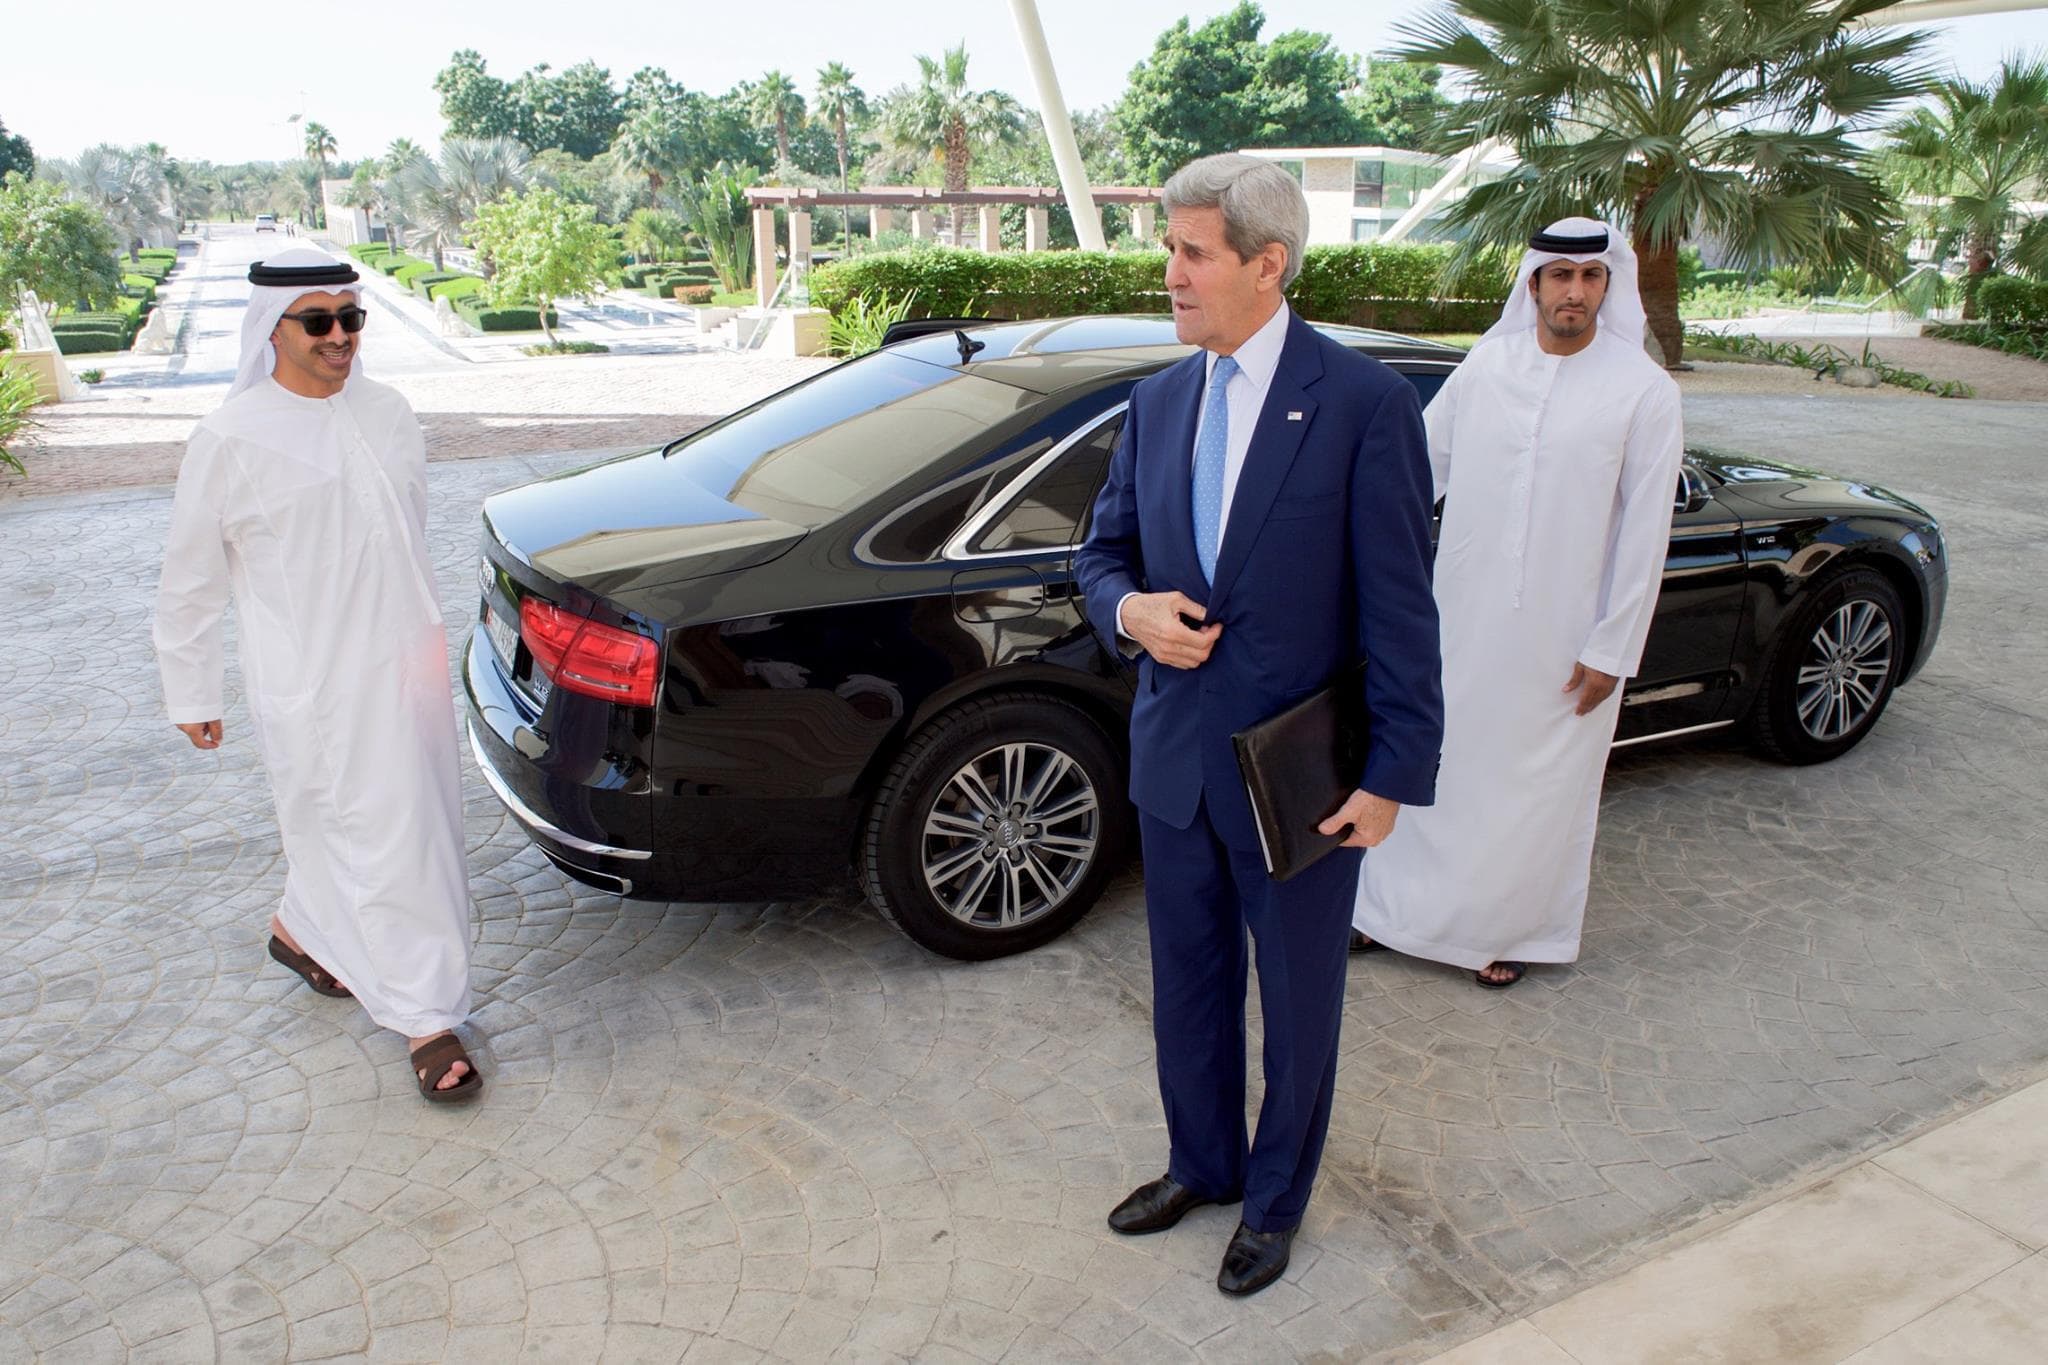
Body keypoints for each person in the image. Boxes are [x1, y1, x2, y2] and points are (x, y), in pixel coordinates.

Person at [1075, 154, 1444, 1297]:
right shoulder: (1158, 399)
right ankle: (1204, 1165)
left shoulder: (1364, 405)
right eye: (1169, 250)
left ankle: (1274, 1203)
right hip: (1175, 768)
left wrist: (1391, 774)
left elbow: (1400, 606)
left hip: (1300, 781)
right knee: (1184, 987)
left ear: (1265, 264)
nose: (1169, 274)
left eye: (1191, 253)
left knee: (1295, 1006)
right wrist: (1129, 611)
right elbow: (1097, 556)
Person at [154, 246, 480, 1102]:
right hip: (315, 682)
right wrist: (191, 686)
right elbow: (191, 574)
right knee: (381, 831)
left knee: (387, 821)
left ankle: (299, 928)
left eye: (353, 318)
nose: (342, 337)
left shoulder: (390, 410)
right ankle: (424, 1015)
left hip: (405, 667)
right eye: (320, 321)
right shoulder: (231, 438)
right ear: (274, 329)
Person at [1350, 217, 1684, 989]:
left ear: (1609, 285)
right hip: (1460, 616)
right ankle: (1390, 913)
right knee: (1436, 764)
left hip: (1566, 640)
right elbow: (1412, 472)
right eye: (1559, 275)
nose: (1574, 291)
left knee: (1534, 791)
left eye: (1590, 276)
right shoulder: (1487, 366)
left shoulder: (1645, 391)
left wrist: (1613, 647)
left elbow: (1646, 529)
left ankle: (1506, 931)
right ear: (1532, 281)